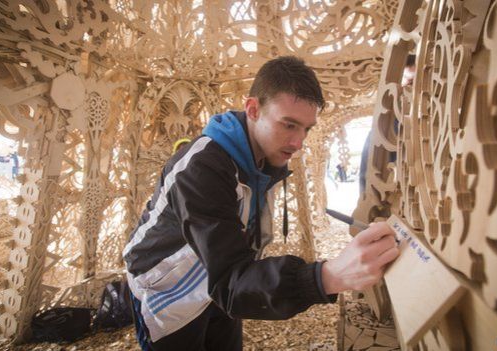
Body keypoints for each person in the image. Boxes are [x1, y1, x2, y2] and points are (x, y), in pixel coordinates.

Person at [122, 56, 399, 351]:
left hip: (216, 280)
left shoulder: (262, 157)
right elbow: (230, 282)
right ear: (253, 109)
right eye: (289, 125)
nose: (298, 142)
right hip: (167, 289)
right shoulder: (202, 167)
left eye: (306, 129)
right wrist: (326, 277)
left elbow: (231, 274)